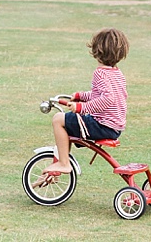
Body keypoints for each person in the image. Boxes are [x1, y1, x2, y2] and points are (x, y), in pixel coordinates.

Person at [35, 28, 129, 186]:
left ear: (97, 51)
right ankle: (59, 166)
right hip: (114, 127)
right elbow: (100, 95)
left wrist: (80, 108)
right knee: (68, 123)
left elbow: (108, 99)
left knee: (58, 119)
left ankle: (64, 163)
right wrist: (81, 96)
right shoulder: (116, 73)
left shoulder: (100, 73)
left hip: (102, 125)